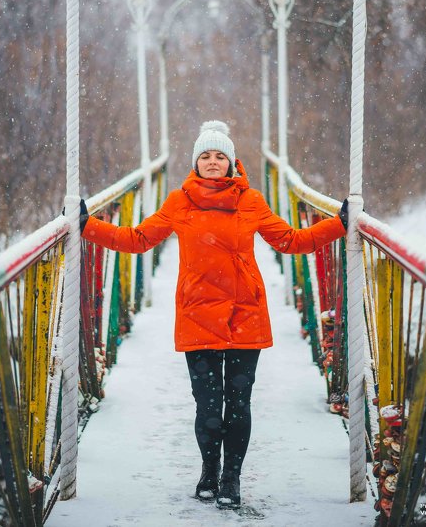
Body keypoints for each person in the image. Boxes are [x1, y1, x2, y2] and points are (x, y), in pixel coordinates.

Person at [80, 120, 348, 509]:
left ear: (232, 162)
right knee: (206, 406)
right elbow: (138, 239)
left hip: (245, 314)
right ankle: (208, 471)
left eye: (219, 155)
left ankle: (231, 479)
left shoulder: (251, 201)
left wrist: (338, 225)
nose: (212, 161)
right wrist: (88, 226)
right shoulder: (179, 202)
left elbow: (291, 240)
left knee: (239, 404)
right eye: (205, 155)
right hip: (198, 314)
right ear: (194, 162)